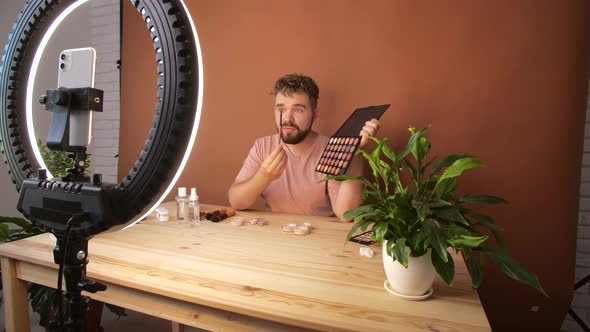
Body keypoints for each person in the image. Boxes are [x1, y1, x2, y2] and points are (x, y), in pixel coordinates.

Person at [228, 73, 381, 219]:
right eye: (281, 109)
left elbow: (347, 214)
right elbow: (236, 201)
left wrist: (355, 151)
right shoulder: (263, 146)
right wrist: (264, 176)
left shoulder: (331, 148)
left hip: (318, 238)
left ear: (315, 114)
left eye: (298, 109)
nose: (287, 118)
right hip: (274, 235)